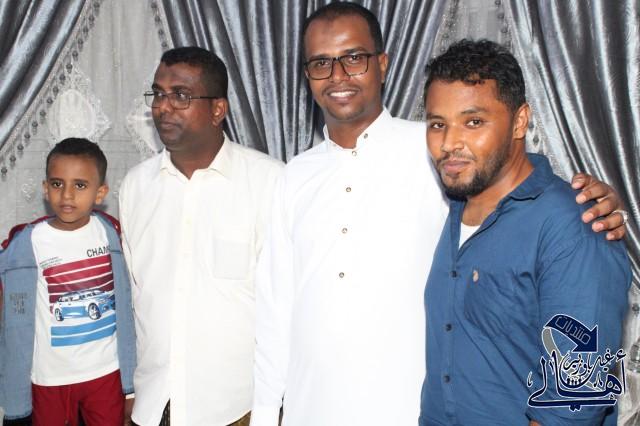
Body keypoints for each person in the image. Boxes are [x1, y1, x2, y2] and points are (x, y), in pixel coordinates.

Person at [251, 3, 628, 426]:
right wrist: (266, 414)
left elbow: (578, 395)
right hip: (315, 410)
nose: (338, 75)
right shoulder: (295, 175)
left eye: (354, 57)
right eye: (321, 62)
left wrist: (592, 204)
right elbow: (274, 309)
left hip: (402, 413)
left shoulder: (437, 158)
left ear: (382, 64)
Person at [419, 39, 631, 426]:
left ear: (519, 122)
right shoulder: (451, 205)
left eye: (474, 122)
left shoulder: (574, 226)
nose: (449, 143)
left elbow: (573, 402)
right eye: (437, 124)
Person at [119, 47, 283, 426]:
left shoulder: (270, 182)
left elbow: (285, 308)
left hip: (238, 408)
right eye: (158, 94)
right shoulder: (135, 187)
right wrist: (130, 391)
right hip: (154, 406)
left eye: (181, 95)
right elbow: (134, 299)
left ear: (217, 109)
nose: (163, 107)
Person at [0, 138, 136, 425]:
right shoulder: (31, 241)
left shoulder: (109, 233)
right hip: (50, 376)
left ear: (100, 193)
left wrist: (130, 386)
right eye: (57, 183)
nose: (67, 195)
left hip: (105, 371)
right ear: (45, 188)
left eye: (80, 185)